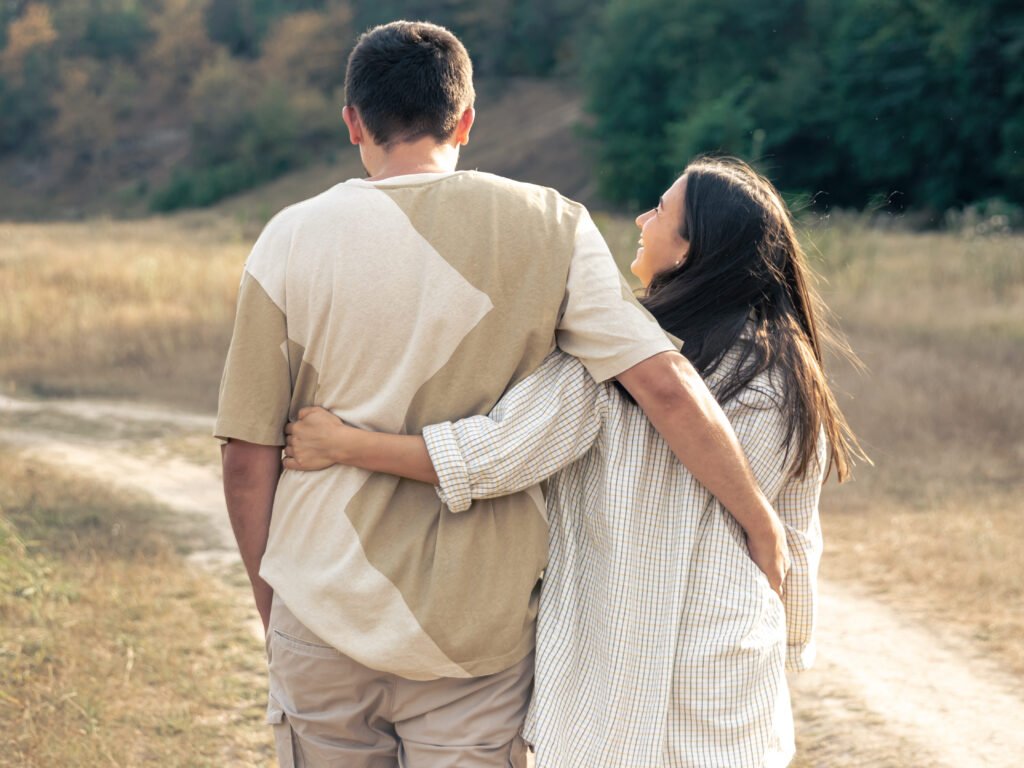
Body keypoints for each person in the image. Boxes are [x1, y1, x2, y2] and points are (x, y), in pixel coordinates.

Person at [216, 19, 788, 768]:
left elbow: (246, 453)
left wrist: (276, 607)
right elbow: (665, 386)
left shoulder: (289, 236)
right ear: (467, 119)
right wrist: (760, 524)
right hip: (475, 633)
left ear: (352, 118)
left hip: (320, 610)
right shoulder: (551, 223)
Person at [283, 157, 864, 766]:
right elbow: (797, 530)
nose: (643, 218)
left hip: (616, 663)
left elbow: (495, 455)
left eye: (661, 210)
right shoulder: (792, 371)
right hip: (732, 657)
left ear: (694, 250)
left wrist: (346, 444)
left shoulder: (618, 355)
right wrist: (791, 636)